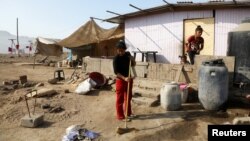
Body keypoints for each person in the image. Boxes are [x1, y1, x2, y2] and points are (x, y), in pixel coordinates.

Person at [113, 40, 136, 121]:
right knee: (120, 99)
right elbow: (116, 72)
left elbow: (133, 64)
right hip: (120, 80)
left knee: (128, 97)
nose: (120, 52)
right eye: (119, 50)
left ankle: (128, 113)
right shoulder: (116, 59)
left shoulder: (128, 55)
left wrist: (132, 59)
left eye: (122, 50)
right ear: (117, 50)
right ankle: (120, 116)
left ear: (124, 49)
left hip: (129, 79)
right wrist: (124, 78)